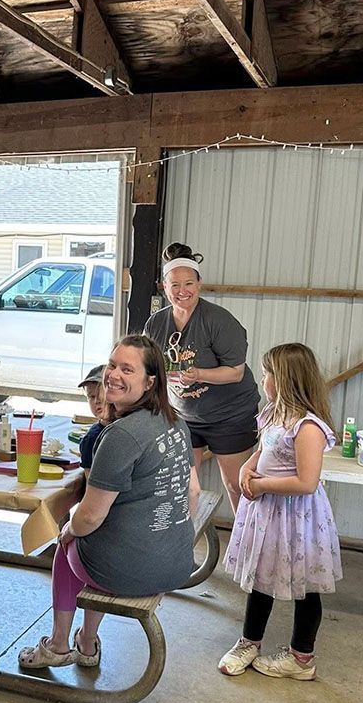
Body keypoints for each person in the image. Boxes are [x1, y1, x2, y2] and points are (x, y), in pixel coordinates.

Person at [19, 335, 198, 670]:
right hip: (178, 563)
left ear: (150, 381)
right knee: (96, 544)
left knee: (70, 543)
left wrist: (69, 528)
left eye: (127, 369)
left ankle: (58, 646)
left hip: (132, 571)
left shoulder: (120, 435)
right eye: (112, 365)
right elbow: (194, 492)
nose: (113, 374)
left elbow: (88, 518)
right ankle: (86, 643)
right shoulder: (174, 420)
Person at [219, 343, 342, 681]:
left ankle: (302, 658)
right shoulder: (274, 413)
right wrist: (248, 466)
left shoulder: (308, 427)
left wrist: (261, 486)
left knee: (307, 584)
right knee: (262, 577)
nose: (263, 379)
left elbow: (306, 482)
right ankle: (249, 642)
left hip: (297, 517)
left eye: (267, 374)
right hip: (268, 515)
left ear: (284, 378)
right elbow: (264, 451)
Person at [145, 242, 260, 512]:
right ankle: (183, 544)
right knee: (184, 485)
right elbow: (149, 367)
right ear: (164, 286)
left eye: (189, 284)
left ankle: (244, 548)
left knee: (236, 484)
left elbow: (235, 372)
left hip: (230, 414)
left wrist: (199, 374)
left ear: (200, 284)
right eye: (174, 285)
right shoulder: (156, 323)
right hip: (184, 414)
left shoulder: (218, 320)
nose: (182, 291)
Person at [77, 363, 108, 474]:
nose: (97, 401)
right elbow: (90, 483)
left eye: (101, 394)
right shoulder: (91, 439)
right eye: (91, 396)